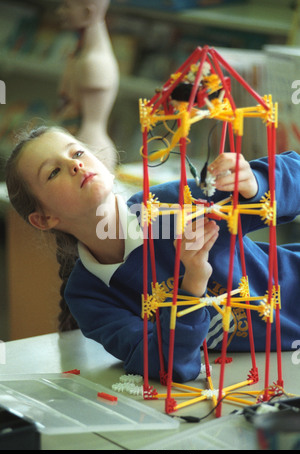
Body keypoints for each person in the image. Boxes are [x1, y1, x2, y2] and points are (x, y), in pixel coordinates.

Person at [5, 125, 300, 382]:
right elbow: (169, 367)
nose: (74, 166)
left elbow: (295, 172)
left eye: (77, 153)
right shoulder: (88, 296)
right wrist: (194, 282)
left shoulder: (175, 203)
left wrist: (256, 184)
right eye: (53, 172)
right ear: (44, 219)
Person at [55, 0, 119, 170]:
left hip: (90, 149)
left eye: (66, 6)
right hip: (76, 144)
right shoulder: (81, 56)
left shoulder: (94, 63)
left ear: (88, 12)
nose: (60, 12)